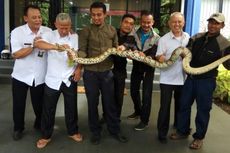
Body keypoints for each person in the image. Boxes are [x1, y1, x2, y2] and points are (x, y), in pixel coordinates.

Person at [170, 13, 230, 149]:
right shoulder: (196, 37)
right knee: (183, 105)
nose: (212, 25)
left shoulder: (225, 44)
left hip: (206, 81)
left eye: (216, 23)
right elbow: (187, 53)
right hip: (191, 79)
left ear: (222, 26)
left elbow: (228, 65)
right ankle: (182, 131)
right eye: (211, 22)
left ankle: (199, 137)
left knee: (203, 109)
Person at [78, 2, 128, 145]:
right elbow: (82, 50)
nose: (96, 17)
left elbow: (115, 50)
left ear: (105, 14)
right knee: (92, 104)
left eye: (99, 14)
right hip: (90, 73)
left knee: (109, 103)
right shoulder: (85, 31)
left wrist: (121, 50)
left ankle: (114, 130)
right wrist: (77, 56)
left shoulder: (112, 30)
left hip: (107, 72)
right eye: (93, 15)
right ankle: (95, 132)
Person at [34, 13, 83, 148]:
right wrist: (57, 47)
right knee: (48, 109)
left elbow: (79, 54)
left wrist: (78, 69)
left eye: (67, 27)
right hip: (52, 79)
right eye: (61, 27)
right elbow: (39, 44)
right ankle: (45, 136)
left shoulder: (74, 37)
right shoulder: (50, 34)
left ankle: (72, 131)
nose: (64, 30)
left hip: (69, 77)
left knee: (71, 107)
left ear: (70, 26)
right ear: (55, 25)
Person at [10, 5, 51, 140]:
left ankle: (39, 124)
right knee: (19, 104)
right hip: (21, 76)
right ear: (26, 18)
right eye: (34, 17)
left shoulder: (48, 32)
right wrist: (34, 46)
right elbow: (16, 54)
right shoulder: (17, 32)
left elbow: (53, 47)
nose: (38, 20)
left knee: (39, 104)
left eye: (39, 17)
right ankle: (18, 128)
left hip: (40, 76)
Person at [155, 12, 190, 143]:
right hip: (167, 79)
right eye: (174, 22)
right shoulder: (163, 39)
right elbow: (159, 56)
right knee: (165, 107)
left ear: (183, 23)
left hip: (183, 78)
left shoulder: (188, 37)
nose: (177, 24)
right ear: (169, 23)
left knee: (181, 106)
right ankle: (162, 133)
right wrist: (169, 59)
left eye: (179, 22)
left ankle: (179, 128)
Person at [128, 10, 160, 131]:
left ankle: (144, 120)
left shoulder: (157, 38)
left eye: (149, 22)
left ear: (153, 22)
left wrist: (146, 57)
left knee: (146, 96)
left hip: (148, 68)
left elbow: (155, 53)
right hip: (137, 67)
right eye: (144, 22)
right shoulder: (134, 32)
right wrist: (133, 51)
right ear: (140, 22)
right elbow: (130, 45)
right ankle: (138, 111)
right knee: (133, 91)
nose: (146, 25)